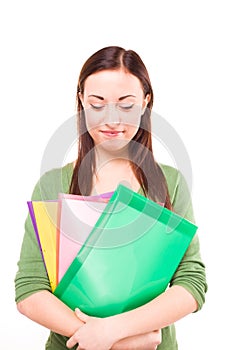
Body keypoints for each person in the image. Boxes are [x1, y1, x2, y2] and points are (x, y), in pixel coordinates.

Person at [15, 46, 207, 350]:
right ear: (81, 100)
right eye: (97, 103)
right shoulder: (53, 184)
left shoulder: (170, 183)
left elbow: (191, 282)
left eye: (126, 105)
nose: (112, 119)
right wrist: (107, 340)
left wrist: (115, 329)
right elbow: (29, 290)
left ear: (145, 103)